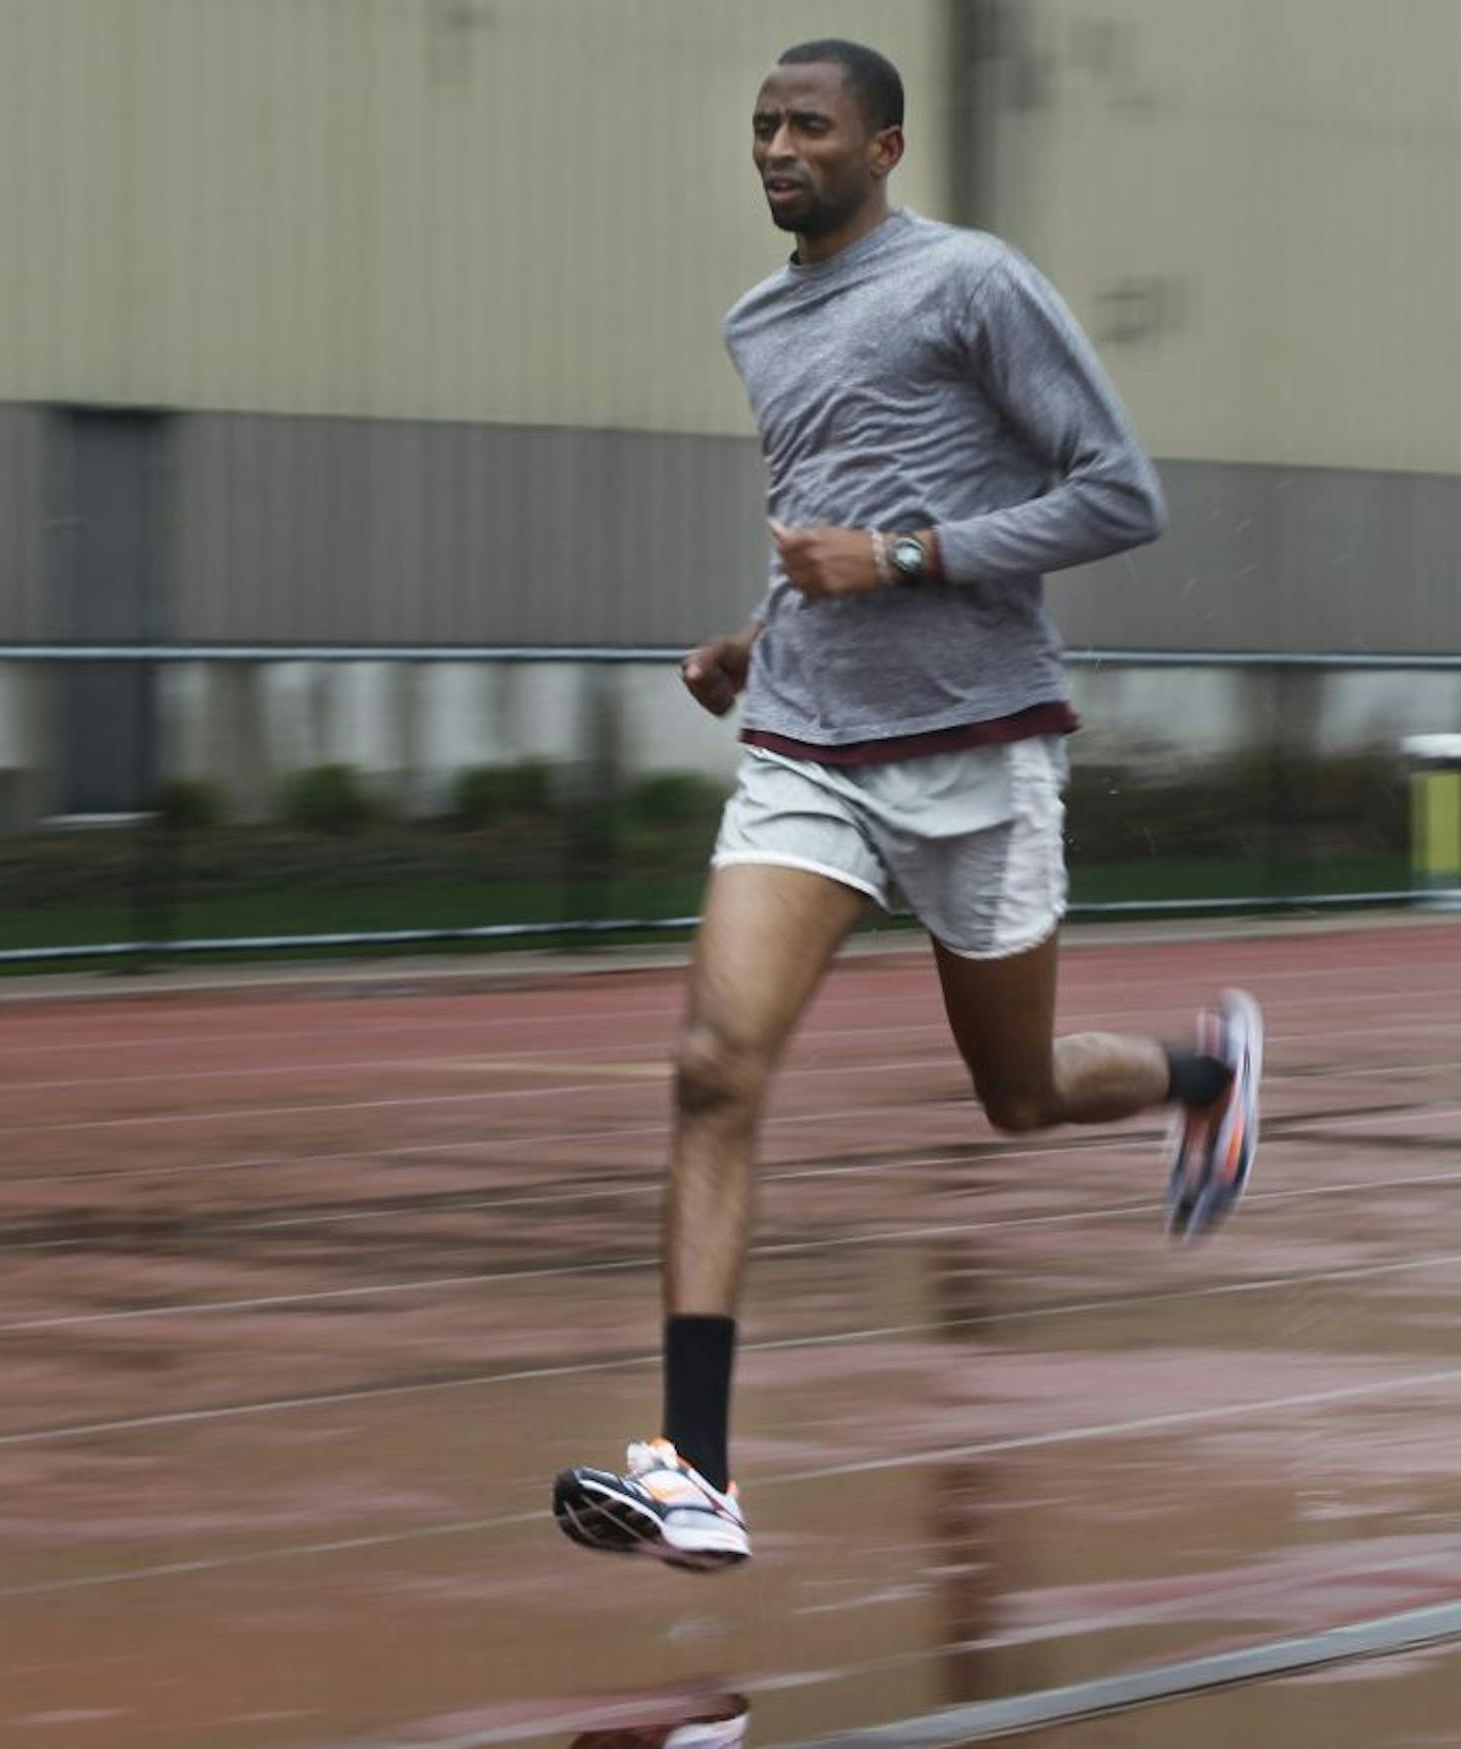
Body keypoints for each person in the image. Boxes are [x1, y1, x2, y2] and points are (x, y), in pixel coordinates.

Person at [550, 39, 1262, 1575]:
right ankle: (698, 1468)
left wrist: (905, 559)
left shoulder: (973, 284)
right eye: (759, 127)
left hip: (977, 741)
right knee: (709, 1068)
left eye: (808, 125)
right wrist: (764, 625)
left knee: (1015, 1096)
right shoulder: (758, 319)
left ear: (882, 147)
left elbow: (1120, 492)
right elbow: (822, 498)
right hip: (808, 746)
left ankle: (1202, 1068)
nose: (775, 148)